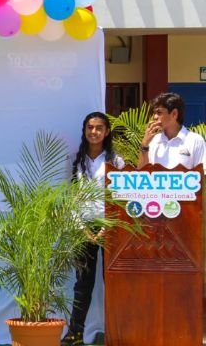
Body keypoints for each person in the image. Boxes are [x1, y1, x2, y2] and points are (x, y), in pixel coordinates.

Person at [62, 112, 125, 346]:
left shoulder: (116, 161)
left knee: (114, 282)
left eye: (99, 128)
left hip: (110, 227)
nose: (94, 132)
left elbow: (120, 199)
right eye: (90, 127)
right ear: (85, 130)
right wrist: (82, 229)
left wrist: (106, 228)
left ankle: (118, 333)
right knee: (82, 284)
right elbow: (72, 198)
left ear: (107, 132)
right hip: (83, 228)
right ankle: (75, 333)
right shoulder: (76, 160)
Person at [139, 92, 206, 169]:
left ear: (174, 114)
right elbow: (141, 175)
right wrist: (144, 145)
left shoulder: (195, 141)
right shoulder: (154, 141)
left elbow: (202, 175)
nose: (155, 117)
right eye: (154, 113)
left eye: (159, 112)